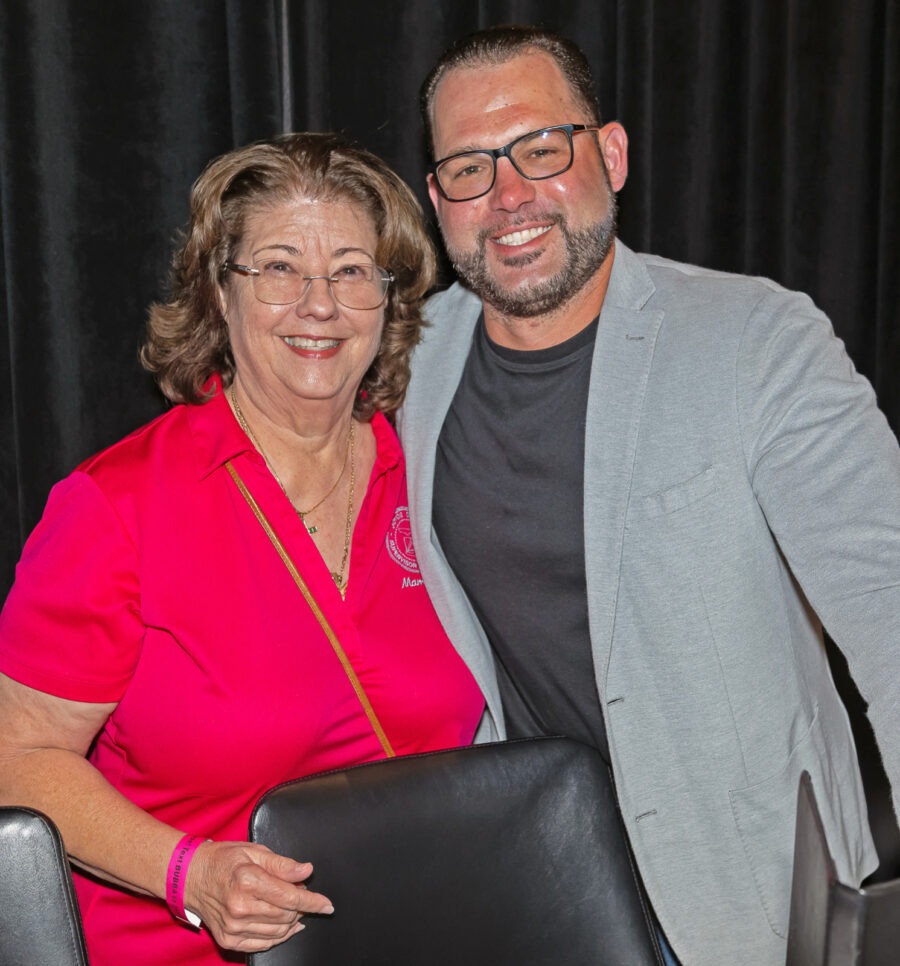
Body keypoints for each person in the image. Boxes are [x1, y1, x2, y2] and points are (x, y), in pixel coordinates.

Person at [398, 24, 900, 966]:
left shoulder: (756, 338)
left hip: (749, 895)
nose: (509, 196)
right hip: (538, 892)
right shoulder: (407, 365)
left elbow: (890, 601)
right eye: (469, 167)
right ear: (437, 199)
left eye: (542, 149)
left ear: (612, 154)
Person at [0, 132, 484, 965]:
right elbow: (16, 756)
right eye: (279, 268)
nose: (319, 303)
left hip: (424, 935)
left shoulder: (439, 474)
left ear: (389, 300)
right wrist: (187, 872)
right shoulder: (116, 508)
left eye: (351, 271)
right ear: (221, 294)